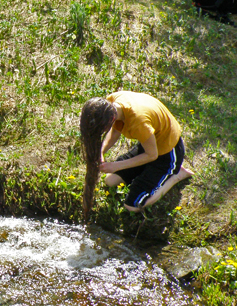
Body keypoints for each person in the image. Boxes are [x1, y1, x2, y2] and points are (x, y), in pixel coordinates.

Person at [80, 92, 192, 220]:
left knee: (133, 205)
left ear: (109, 119)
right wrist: (101, 151)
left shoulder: (139, 123)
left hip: (168, 151)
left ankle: (177, 175)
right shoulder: (112, 103)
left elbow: (152, 155)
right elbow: (116, 130)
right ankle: (149, 172)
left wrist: (116, 165)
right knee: (110, 181)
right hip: (149, 144)